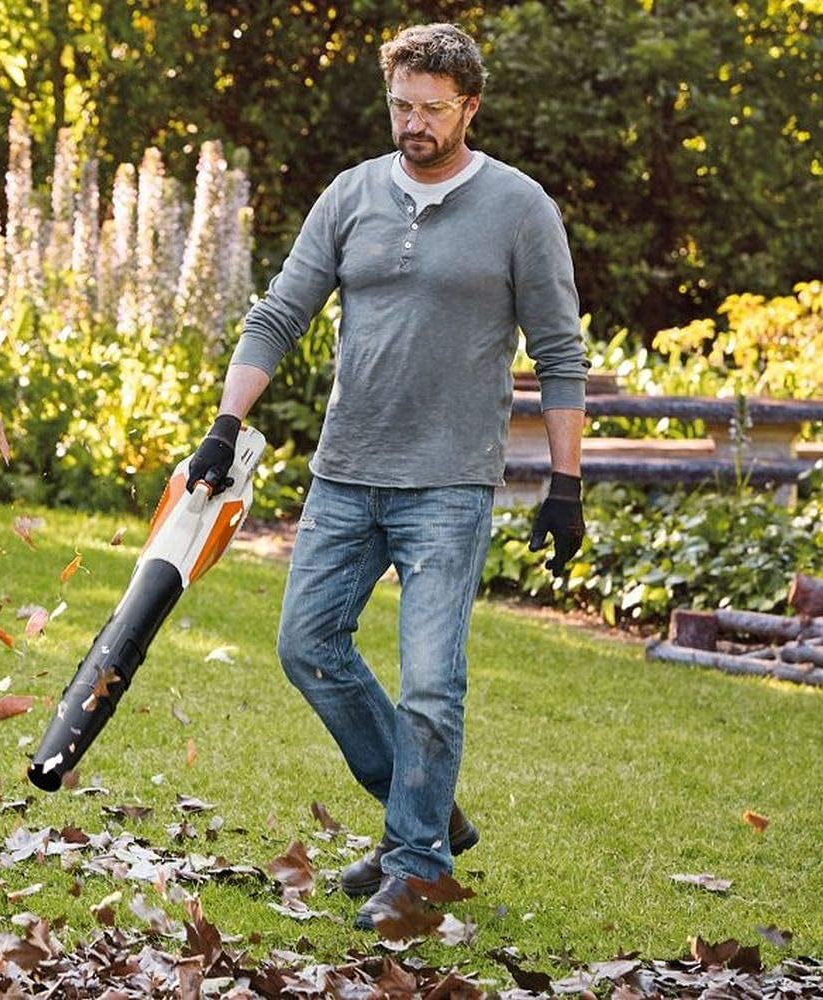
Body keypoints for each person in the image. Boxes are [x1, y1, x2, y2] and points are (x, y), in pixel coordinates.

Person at [186, 22, 589, 931]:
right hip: (346, 473)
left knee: (432, 686)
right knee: (306, 647)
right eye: (401, 105)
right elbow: (279, 312)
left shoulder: (520, 209)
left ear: (470, 109)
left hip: (449, 483)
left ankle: (416, 870)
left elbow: (561, 354)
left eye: (432, 110)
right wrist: (226, 424)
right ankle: (424, 808)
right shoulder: (353, 194)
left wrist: (566, 485)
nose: (413, 123)